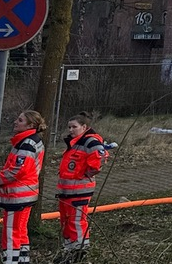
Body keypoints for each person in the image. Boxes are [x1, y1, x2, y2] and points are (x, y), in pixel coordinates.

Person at [56, 112, 111, 261]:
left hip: (79, 191)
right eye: (69, 127)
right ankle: (69, 251)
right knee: (67, 222)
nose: (71, 130)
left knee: (77, 222)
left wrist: (85, 174)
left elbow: (98, 161)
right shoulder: (75, 143)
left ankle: (80, 253)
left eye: (74, 127)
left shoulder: (90, 142)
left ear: (84, 127)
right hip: (67, 191)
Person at [0, 110, 46, 264]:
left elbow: (18, 170)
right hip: (24, 194)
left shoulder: (27, 143)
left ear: (30, 125)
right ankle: (22, 260)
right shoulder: (29, 141)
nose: (15, 122)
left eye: (20, 120)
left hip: (17, 196)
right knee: (20, 231)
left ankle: (10, 261)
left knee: (11, 232)